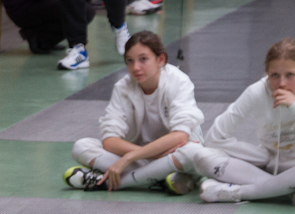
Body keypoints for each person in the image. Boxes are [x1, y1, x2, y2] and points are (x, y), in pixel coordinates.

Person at [62, 31, 200, 194]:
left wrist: (130, 158)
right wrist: (149, 156)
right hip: (148, 156)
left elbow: (180, 136)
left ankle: (104, 182)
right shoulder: (123, 87)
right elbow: (109, 139)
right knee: (82, 146)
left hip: (171, 153)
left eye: (143, 59)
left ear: (160, 59)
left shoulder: (179, 81)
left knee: (191, 152)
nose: (135, 67)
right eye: (129, 61)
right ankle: (159, 176)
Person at [185, 39, 295, 204]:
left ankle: (238, 192)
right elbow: (214, 138)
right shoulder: (256, 92)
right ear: (266, 73)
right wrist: (261, 157)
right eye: (274, 75)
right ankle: (282, 189)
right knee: (202, 157)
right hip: (269, 167)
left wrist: (293, 105)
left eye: (290, 75)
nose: (282, 84)